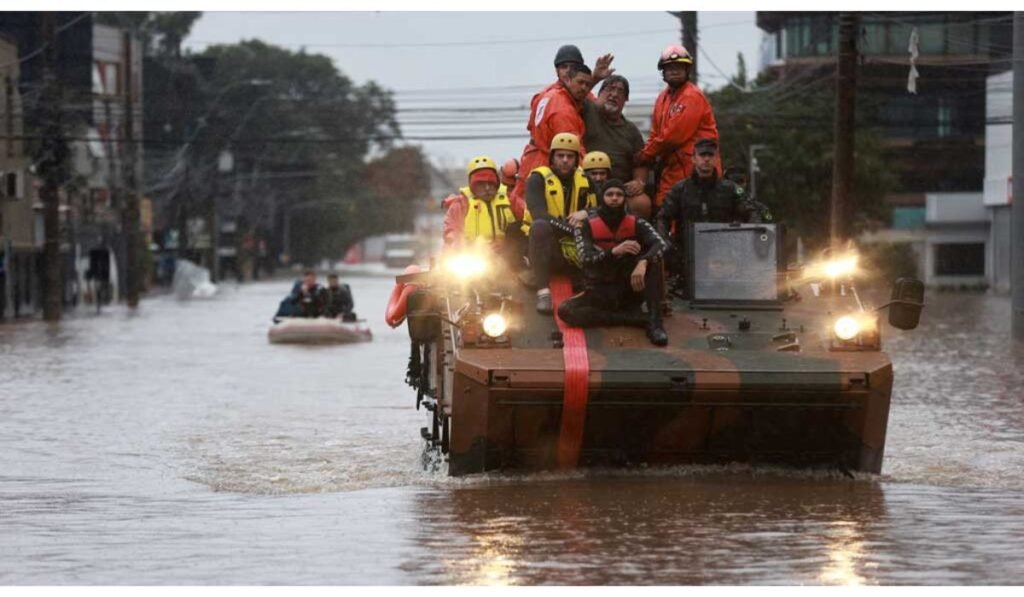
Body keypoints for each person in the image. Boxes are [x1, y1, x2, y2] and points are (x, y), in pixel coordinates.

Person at [558, 179, 669, 346]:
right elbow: (585, 258)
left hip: (629, 290)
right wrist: (613, 252)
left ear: (624, 199)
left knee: (653, 262)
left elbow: (661, 244)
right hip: (599, 290)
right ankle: (633, 320)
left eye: (619, 194)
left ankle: (655, 323)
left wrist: (643, 261)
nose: (614, 198)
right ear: (602, 197)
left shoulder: (637, 223)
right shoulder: (585, 226)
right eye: (610, 194)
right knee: (565, 311)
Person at [656, 139, 771, 288]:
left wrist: (749, 237)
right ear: (694, 159)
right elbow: (662, 218)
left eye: (710, 155)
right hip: (687, 258)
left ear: (716, 159)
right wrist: (665, 242)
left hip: (725, 256)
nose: (706, 159)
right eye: (702, 155)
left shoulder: (730, 189)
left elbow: (752, 211)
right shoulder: (680, 189)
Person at [510, 61, 598, 219]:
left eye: (587, 84)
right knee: (544, 217)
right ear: (568, 80)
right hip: (547, 163)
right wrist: (592, 179)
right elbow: (572, 149)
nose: (584, 88)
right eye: (580, 83)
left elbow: (530, 126)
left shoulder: (547, 94)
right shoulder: (564, 111)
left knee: (524, 210)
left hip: (531, 158)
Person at [636, 45, 720, 209]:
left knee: (692, 213)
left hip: (697, 168)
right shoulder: (662, 98)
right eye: (670, 67)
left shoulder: (691, 96)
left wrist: (644, 155)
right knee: (664, 207)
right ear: (663, 71)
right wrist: (646, 154)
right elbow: (655, 134)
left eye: (679, 67)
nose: (674, 71)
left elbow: (672, 136)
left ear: (687, 70)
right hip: (672, 167)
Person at [521, 132, 596, 315]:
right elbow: (539, 214)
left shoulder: (586, 180)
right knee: (539, 226)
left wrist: (586, 212)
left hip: (575, 248)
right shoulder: (537, 179)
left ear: (577, 159)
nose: (564, 160)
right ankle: (543, 292)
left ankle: (589, 285)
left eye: (570, 156)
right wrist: (573, 230)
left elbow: (604, 208)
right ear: (552, 158)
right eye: (560, 156)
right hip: (544, 245)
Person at [581, 75, 651, 219]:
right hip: (587, 185)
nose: (614, 94)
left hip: (619, 190)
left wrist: (639, 182)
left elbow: (641, 162)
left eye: (620, 92)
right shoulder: (587, 111)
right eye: (610, 89)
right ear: (599, 94)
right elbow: (577, 94)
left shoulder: (631, 130)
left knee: (642, 203)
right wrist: (595, 76)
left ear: (626, 100)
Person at [441, 155, 521, 267]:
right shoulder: (460, 204)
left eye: (491, 183)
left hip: (509, 259)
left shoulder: (511, 200)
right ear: (471, 185)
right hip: (472, 261)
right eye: (480, 184)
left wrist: (508, 244)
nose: (487, 188)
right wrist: (468, 247)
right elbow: (451, 232)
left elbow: (528, 221)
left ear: (497, 183)